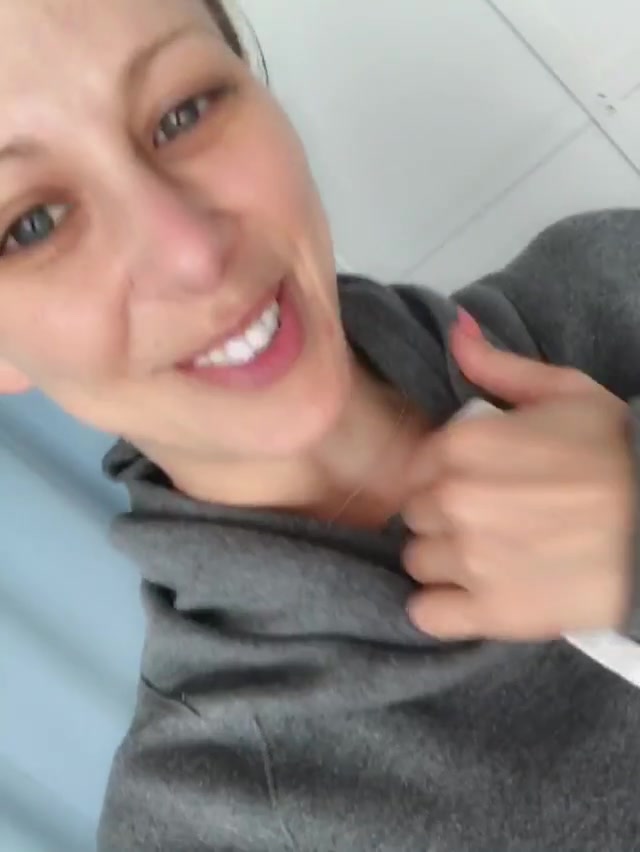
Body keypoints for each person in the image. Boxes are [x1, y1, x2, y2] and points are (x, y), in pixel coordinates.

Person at [0, 0, 639, 849]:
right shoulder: (210, 823)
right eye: (32, 225)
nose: (192, 253)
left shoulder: (611, 280)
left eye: (183, 112)